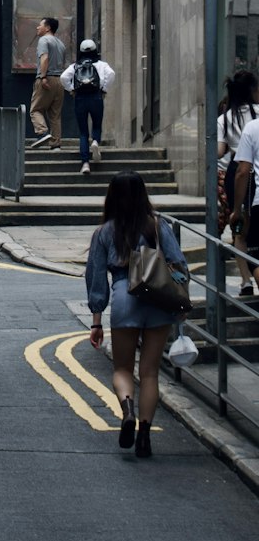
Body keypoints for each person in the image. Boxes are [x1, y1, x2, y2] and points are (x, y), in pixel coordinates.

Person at [85, 171, 189, 456]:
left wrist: (96, 321)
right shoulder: (157, 225)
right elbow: (179, 265)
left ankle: (127, 410)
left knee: (121, 369)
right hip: (157, 299)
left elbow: (95, 279)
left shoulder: (105, 232)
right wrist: (179, 304)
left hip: (124, 298)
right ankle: (145, 435)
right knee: (150, 372)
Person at [61, 39, 117, 175]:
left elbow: (63, 77)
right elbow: (111, 74)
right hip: (96, 97)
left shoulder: (75, 66)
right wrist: (104, 89)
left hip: (80, 98)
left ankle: (85, 163)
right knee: (97, 125)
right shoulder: (102, 65)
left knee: (83, 132)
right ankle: (96, 141)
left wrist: (71, 89)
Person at [230, 79, 259, 297]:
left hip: (257, 200)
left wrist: (237, 209)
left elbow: (242, 171)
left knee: (254, 254)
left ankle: (247, 281)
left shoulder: (252, 127)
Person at [30, 16, 66, 148]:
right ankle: (56, 144)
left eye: (40, 25)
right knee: (55, 114)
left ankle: (42, 132)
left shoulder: (43, 40)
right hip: (59, 80)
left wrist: (43, 77)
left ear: (48, 28)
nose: (37, 27)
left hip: (47, 78)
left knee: (35, 109)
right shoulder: (61, 44)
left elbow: (44, 59)